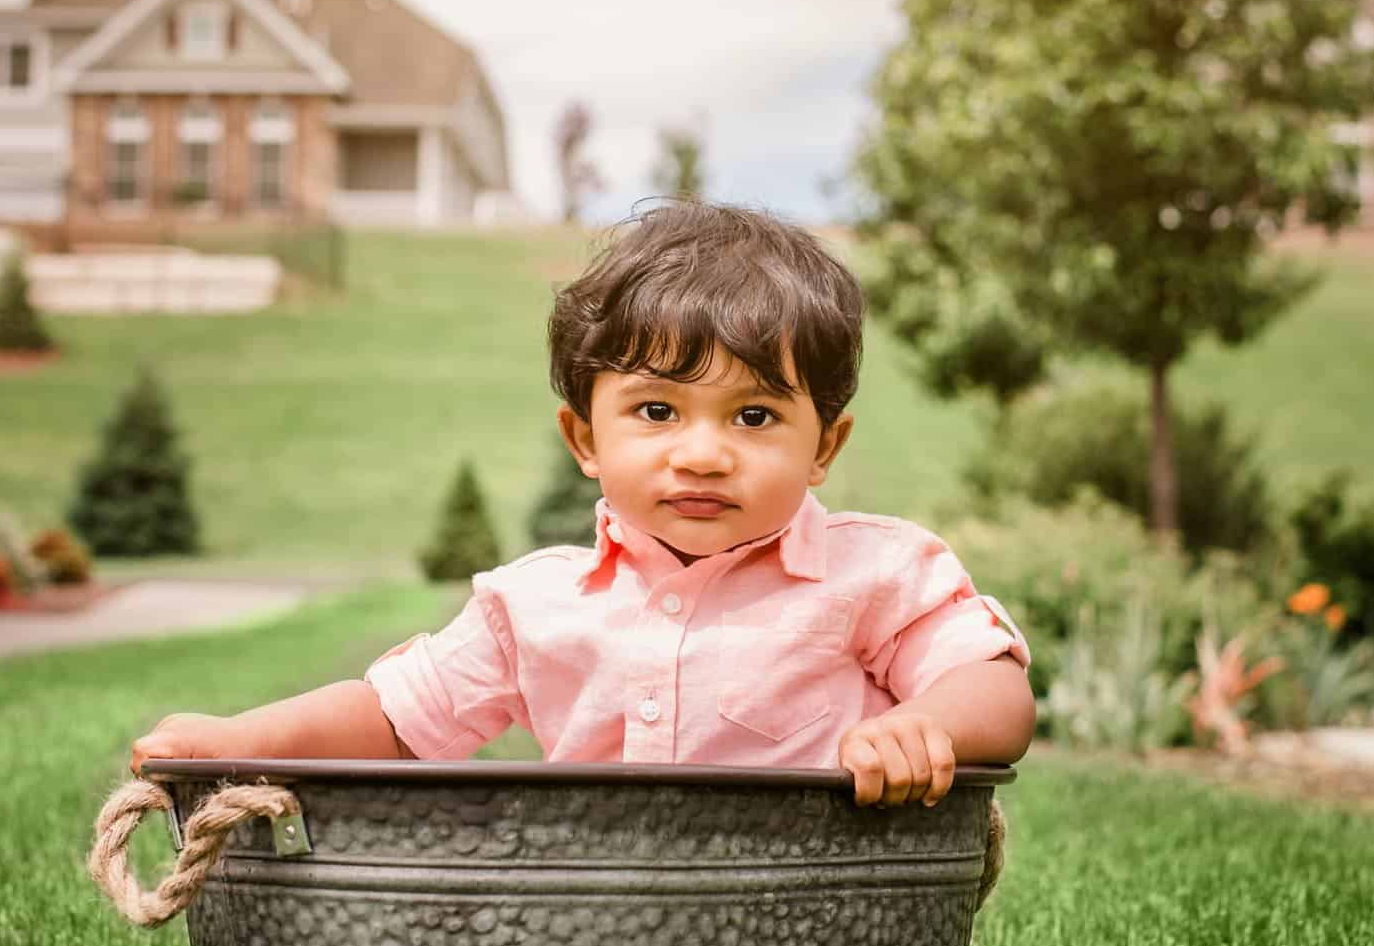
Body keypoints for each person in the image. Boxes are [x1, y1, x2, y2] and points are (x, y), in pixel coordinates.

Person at [128, 200, 1035, 807]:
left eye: (755, 415)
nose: (704, 452)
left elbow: (997, 690)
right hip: (600, 938)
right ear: (586, 441)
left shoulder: (874, 573)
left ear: (824, 447)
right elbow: (394, 719)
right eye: (656, 411)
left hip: (817, 929)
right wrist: (241, 740)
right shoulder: (537, 605)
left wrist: (929, 726)